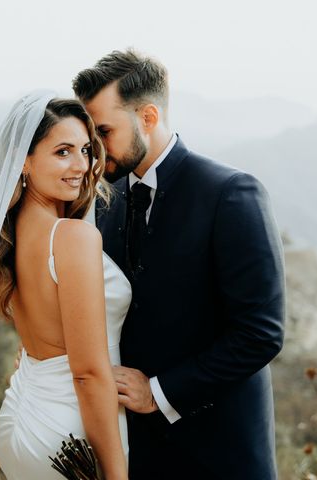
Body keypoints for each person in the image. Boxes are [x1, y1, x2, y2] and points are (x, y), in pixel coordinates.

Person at [72, 49, 286, 479]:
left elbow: (260, 333)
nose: (94, 152)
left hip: (220, 454)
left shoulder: (230, 193)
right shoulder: (102, 204)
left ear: (148, 117)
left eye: (105, 132)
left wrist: (159, 393)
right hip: (135, 454)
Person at [0, 98, 131, 480]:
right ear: (24, 160)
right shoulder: (73, 237)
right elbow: (87, 372)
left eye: (85, 150)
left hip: (17, 419)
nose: (81, 166)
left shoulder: (9, 236)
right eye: (62, 152)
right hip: (67, 436)